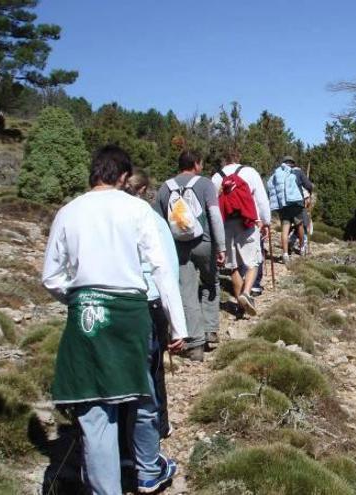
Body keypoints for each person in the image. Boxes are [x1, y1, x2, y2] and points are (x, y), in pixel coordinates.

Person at [42, 145, 186, 494]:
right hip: (130, 313)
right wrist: (177, 325)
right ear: (123, 176)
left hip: (86, 312)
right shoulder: (136, 209)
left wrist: (77, 298)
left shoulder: (68, 211)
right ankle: (147, 468)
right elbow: (162, 270)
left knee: (94, 413)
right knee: (141, 394)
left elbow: (51, 277)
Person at [121, 169, 178, 456]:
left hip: (112, 305)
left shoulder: (108, 218)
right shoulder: (152, 220)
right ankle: (159, 426)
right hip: (148, 302)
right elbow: (167, 270)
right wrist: (176, 322)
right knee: (153, 371)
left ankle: (122, 442)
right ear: (144, 190)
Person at [156, 151, 225, 361]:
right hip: (204, 243)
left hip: (179, 247)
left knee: (186, 293)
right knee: (211, 283)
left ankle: (195, 345)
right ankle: (210, 330)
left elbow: (158, 222)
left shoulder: (164, 188)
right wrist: (221, 246)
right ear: (196, 164)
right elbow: (214, 215)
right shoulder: (205, 184)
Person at [211, 150, 270, 316]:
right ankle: (246, 293)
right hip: (247, 222)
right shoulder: (249, 172)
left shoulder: (216, 177)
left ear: (224, 161)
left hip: (225, 223)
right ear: (238, 158)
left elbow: (213, 205)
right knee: (254, 261)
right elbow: (261, 199)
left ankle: (239, 306)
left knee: (233, 266)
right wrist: (265, 221)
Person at [268, 156, 306, 264]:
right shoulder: (296, 172)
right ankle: (302, 248)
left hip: (283, 205)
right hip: (295, 204)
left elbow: (270, 188)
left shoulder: (276, 174)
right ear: (292, 163)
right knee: (299, 225)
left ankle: (285, 254)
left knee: (285, 229)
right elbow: (308, 185)